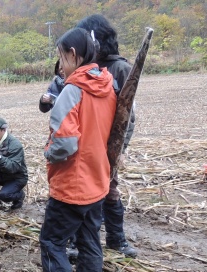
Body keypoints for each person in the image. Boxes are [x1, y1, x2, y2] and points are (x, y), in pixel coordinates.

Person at [32, 28, 117, 272]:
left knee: (52, 242)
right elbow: (122, 127)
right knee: (90, 239)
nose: (61, 65)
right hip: (97, 180)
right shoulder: (108, 86)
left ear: (72, 54)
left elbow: (65, 142)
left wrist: (48, 153)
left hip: (72, 184)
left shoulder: (72, 90)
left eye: (61, 57)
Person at [76, 14, 138, 258]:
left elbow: (128, 116)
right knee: (82, 193)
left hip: (108, 145)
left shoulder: (120, 69)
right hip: (85, 143)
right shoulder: (86, 69)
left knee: (110, 189)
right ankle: (77, 240)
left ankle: (116, 239)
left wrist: (119, 150)